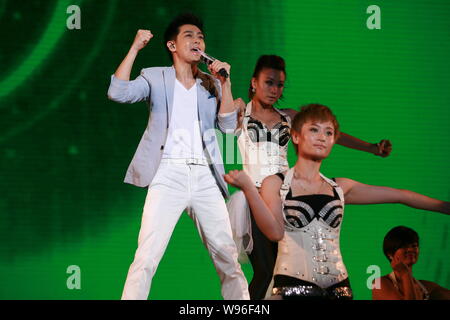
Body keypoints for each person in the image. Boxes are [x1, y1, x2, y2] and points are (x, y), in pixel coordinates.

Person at [224, 103, 449, 300]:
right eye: (314, 130)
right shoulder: (276, 184)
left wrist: (445, 207)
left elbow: (401, 195)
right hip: (292, 288)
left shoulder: (340, 187)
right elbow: (274, 233)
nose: (322, 137)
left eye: (328, 132)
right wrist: (248, 189)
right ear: (295, 136)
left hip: (339, 289)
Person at [107, 13, 249, 300]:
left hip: (205, 176)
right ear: (172, 46)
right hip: (167, 174)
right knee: (146, 257)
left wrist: (225, 83)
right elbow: (118, 92)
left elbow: (228, 127)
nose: (197, 40)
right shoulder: (155, 76)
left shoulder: (212, 83)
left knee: (228, 258)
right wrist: (135, 48)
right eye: (189, 36)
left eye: (201, 37)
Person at [227, 55, 393, 300]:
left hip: (287, 197)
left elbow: (333, 132)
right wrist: (228, 95)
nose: (274, 90)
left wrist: (371, 147)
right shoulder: (240, 113)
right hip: (256, 197)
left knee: (285, 269)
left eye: (280, 84)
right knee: (264, 269)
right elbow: (215, 111)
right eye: (268, 82)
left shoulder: (289, 117)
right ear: (254, 82)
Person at [372, 226, 450, 300]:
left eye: (414, 245)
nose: (410, 249)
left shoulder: (426, 287)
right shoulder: (379, 283)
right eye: (404, 246)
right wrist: (405, 274)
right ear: (390, 254)